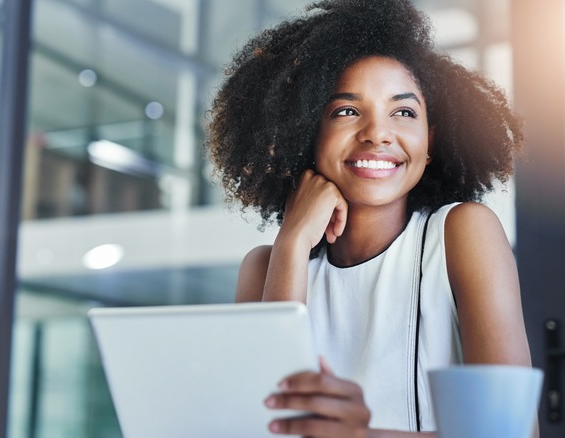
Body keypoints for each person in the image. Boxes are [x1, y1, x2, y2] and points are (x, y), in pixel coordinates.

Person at [205, 0, 532, 436]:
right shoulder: (267, 266)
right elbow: (266, 425)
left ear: (429, 140)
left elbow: (512, 431)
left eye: (404, 112)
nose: (378, 132)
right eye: (347, 111)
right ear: (304, 132)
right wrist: (292, 244)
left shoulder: (461, 233)